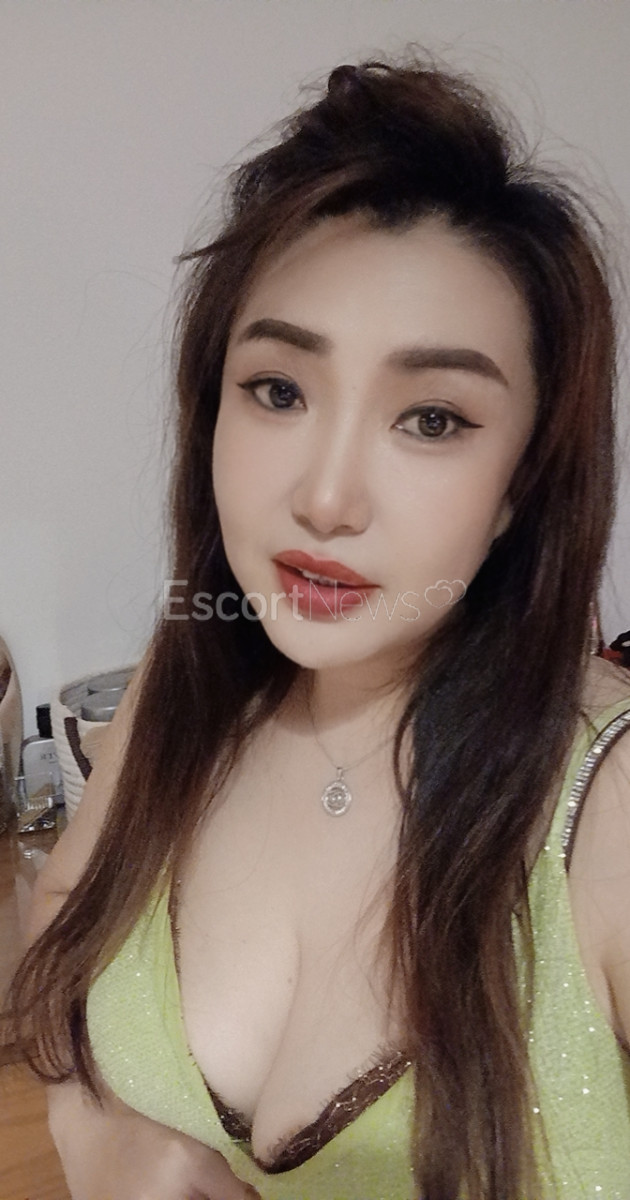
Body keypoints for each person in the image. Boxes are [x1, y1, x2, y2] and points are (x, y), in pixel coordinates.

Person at [8, 50, 630, 1200]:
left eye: (432, 417)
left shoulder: (607, 812)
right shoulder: (189, 683)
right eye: (279, 390)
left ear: (521, 486)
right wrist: (101, 1128)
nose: (327, 499)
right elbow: (59, 927)